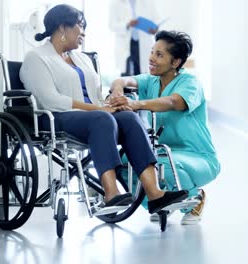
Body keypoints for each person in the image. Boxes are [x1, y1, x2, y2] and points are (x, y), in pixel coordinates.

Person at [19, 4, 188, 213]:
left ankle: (155, 194)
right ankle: (111, 193)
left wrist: (112, 102)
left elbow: (96, 95)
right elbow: (50, 99)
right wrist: (97, 110)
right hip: (56, 118)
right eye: (80, 26)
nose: (84, 32)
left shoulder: (81, 58)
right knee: (103, 119)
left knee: (129, 117)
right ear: (63, 28)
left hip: (94, 118)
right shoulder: (36, 58)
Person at [108, 30, 220, 224]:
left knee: (159, 164)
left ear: (176, 62)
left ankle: (194, 199)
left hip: (198, 156)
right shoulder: (152, 80)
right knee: (122, 163)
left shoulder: (190, 83)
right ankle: (160, 202)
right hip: (166, 153)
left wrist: (137, 104)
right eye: (152, 52)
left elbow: (173, 102)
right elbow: (122, 80)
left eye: (159, 55)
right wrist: (118, 92)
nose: (151, 58)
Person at [109, 0, 159, 76]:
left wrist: (154, 29)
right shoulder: (116, 3)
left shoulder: (148, 2)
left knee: (142, 72)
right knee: (126, 73)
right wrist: (127, 24)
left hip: (143, 43)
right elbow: (112, 25)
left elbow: (156, 21)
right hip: (125, 42)